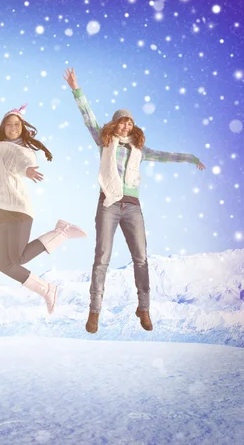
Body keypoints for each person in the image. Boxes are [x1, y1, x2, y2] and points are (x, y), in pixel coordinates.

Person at [63, 67, 206, 333]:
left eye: (129, 121)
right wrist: (76, 89)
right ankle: (94, 311)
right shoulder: (104, 141)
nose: (125, 125)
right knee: (101, 257)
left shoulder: (139, 149)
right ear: (115, 124)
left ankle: (144, 308)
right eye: (121, 121)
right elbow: (88, 117)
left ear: (133, 125)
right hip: (108, 204)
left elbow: (164, 155)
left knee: (140, 258)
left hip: (133, 207)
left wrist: (190, 158)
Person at [0, 94, 86, 314]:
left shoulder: (24, 151)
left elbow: (21, 163)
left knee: (18, 257)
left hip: (19, 208)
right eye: (9, 124)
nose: (12, 127)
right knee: (3, 264)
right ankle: (47, 289)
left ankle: (62, 232)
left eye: (17, 124)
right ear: (2, 127)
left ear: (22, 128)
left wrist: (26, 170)